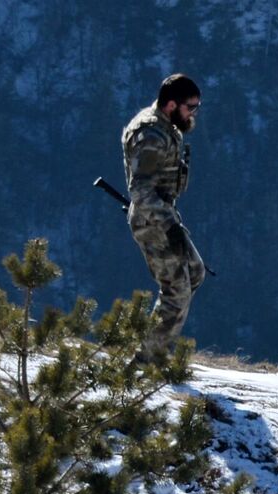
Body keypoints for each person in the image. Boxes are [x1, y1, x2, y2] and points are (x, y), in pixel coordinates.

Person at [121, 72, 207, 362]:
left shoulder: (166, 126)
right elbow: (140, 190)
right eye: (190, 107)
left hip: (165, 215)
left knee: (194, 272)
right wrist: (170, 226)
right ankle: (148, 358)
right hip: (153, 221)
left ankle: (154, 343)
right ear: (171, 105)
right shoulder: (150, 134)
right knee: (177, 288)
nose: (194, 113)